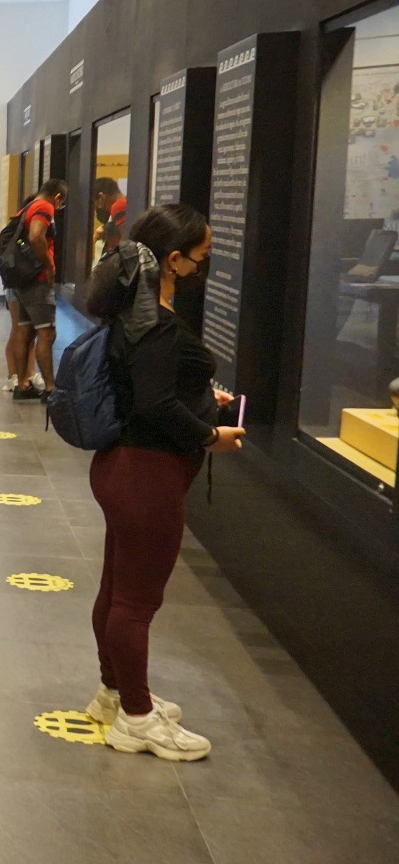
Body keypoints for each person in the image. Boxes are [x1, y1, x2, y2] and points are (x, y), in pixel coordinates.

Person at [81, 203, 243, 760]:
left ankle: (113, 694)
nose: (203, 269)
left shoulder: (133, 316)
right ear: (173, 261)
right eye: (201, 259)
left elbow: (151, 389)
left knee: (116, 590)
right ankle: (137, 716)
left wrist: (201, 399)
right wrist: (209, 435)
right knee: (136, 601)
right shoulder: (159, 327)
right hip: (146, 473)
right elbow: (155, 404)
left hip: (123, 469)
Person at [3, 177, 66, 400]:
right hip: (37, 280)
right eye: (61, 203)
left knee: (24, 331)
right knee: (46, 333)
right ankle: (50, 388)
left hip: (22, 281)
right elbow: (36, 236)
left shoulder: (27, 207)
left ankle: (23, 384)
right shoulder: (44, 207)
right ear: (57, 197)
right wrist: (49, 266)